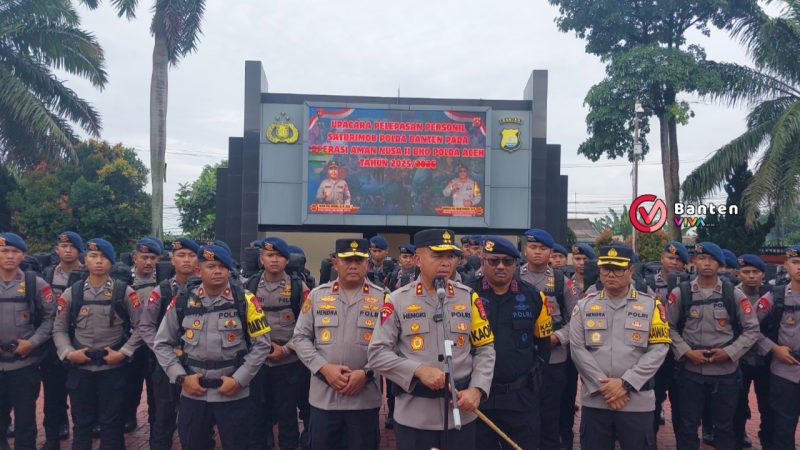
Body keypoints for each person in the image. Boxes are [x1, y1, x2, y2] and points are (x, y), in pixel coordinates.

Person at [368, 229, 496, 450]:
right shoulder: (397, 300)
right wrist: (416, 369)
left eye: (450, 256)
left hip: (461, 415)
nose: (446, 263)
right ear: (417, 259)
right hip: (415, 416)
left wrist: (478, 389)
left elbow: (485, 349)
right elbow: (377, 354)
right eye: (438, 256)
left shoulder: (468, 297)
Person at [152, 244, 272, 450]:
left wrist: (239, 380)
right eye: (211, 266)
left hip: (233, 392)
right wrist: (181, 378)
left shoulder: (246, 300)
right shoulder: (182, 300)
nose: (217, 271)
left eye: (222, 266)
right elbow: (162, 343)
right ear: (199, 270)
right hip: (193, 392)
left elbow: (262, 345)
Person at [570, 244, 671, 449]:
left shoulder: (651, 305)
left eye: (618, 269)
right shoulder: (584, 305)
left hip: (636, 402)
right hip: (597, 400)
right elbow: (577, 349)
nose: (611, 275)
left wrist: (625, 383)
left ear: (631, 270)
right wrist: (604, 387)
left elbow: (659, 349)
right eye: (606, 269)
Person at [291, 238, 383, 450]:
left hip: (365, 399)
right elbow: (300, 338)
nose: (353, 265)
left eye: (359, 260)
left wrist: (366, 373)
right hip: (324, 399)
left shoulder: (383, 299)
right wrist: (324, 368)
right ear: (335, 263)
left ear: (368, 264)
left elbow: (391, 347)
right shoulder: (317, 296)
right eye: (346, 260)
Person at [667, 242, 760, 450]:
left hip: (725, 372)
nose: (707, 263)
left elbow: (752, 329)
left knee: (725, 428)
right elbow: (668, 327)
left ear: (720, 264)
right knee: (688, 426)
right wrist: (686, 352)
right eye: (702, 258)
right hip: (690, 371)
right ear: (694, 262)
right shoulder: (681, 293)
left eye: (712, 260)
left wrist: (729, 352)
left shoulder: (733, 294)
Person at [53, 238, 143, 450]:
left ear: (111, 262)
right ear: (86, 260)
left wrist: (124, 353)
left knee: (112, 425)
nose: (99, 261)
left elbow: (141, 328)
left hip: (113, 369)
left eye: (104, 257)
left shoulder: (125, 293)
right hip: (81, 369)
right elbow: (59, 329)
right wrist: (67, 352)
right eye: (94, 256)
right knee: (82, 424)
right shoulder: (72, 293)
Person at [467, 236, 552, 449]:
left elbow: (543, 346)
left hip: (520, 398)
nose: (501, 266)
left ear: (516, 263)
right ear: (483, 262)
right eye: (493, 261)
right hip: (477, 398)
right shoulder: (465, 294)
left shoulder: (534, 296)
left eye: (508, 261)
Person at [518, 228, 579, 450]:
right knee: (523, 418)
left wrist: (558, 337)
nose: (537, 252)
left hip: (554, 360)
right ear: (525, 250)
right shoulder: (515, 277)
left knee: (550, 418)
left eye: (542, 248)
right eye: (533, 247)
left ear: (550, 252)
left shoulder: (562, 281)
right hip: (521, 360)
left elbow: (577, 320)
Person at [247, 237, 310, 450]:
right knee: (258, 417)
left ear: (287, 260)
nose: (275, 260)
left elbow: (307, 326)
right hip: (258, 363)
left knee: (287, 417)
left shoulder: (297, 287)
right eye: (269, 255)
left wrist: (285, 349)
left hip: (288, 362)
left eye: (280, 256)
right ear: (261, 258)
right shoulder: (250, 286)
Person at [138, 237, 200, 450]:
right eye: (181, 255)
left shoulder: (208, 288)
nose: (186, 260)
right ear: (172, 260)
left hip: (197, 363)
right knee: (163, 415)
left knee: (196, 419)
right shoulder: (161, 291)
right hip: (165, 363)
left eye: (192, 255)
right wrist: (164, 349)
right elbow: (146, 327)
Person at [0, 233, 56, 450]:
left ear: (23, 255)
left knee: (25, 422)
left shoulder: (36, 284)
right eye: (5, 251)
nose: (10, 256)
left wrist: (32, 343)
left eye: (15, 252)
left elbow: (50, 319)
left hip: (24, 364)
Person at [40, 231, 86, 447]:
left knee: (80, 393)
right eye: (63, 246)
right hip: (51, 341)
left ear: (79, 251)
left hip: (78, 339)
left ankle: (82, 436)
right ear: (56, 249)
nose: (67, 250)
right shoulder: (48, 274)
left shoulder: (88, 273)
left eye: (72, 247)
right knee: (52, 391)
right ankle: (55, 432)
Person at [753, 245, 800, 450]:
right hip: (785, 372)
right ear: (786, 265)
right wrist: (773, 348)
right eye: (796, 262)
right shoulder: (775, 296)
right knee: (782, 429)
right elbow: (750, 327)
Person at [645, 241, 689, 436]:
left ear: (684, 265)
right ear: (662, 259)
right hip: (654, 350)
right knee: (653, 401)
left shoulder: (690, 285)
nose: (674, 262)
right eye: (670, 258)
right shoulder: (647, 284)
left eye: (678, 260)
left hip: (681, 351)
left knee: (683, 405)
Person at [732, 253, 772, 449]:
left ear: (763, 274)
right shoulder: (730, 295)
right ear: (739, 274)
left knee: (767, 403)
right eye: (746, 272)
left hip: (766, 359)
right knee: (738, 401)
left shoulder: (773, 293)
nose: (751, 276)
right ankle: (739, 434)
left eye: (755, 272)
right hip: (740, 358)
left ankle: (766, 437)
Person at [125, 237, 163, 433]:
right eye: (144, 257)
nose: (148, 262)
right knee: (131, 384)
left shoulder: (163, 279)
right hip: (134, 342)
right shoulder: (126, 281)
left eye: (153, 258)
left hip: (157, 341)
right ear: (135, 258)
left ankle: (156, 420)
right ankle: (129, 417)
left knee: (156, 386)